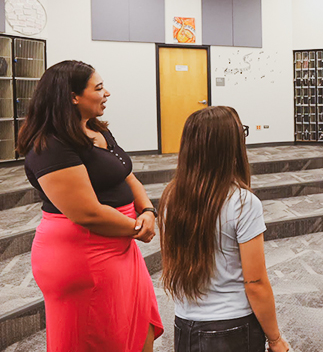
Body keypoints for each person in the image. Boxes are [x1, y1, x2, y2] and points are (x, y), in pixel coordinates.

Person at [16, 60, 164, 351]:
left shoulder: (95, 128)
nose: (106, 93)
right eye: (98, 88)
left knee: (139, 326)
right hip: (83, 253)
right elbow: (87, 213)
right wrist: (136, 227)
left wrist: (147, 210)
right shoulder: (50, 145)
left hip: (120, 244)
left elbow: (125, 172)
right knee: (97, 336)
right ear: (73, 96)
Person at [158, 106, 290, 352]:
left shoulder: (171, 196)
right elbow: (256, 283)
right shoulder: (242, 202)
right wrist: (275, 339)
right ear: (229, 146)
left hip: (185, 324)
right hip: (232, 327)